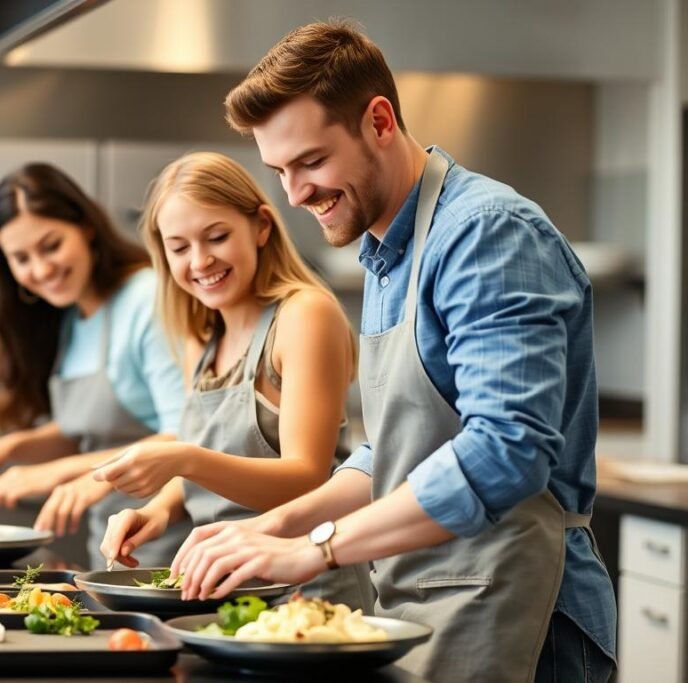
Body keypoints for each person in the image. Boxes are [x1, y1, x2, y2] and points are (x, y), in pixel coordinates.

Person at [168, 21, 617, 683]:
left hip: (526, 611)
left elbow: (507, 448)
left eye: (311, 161)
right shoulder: (385, 256)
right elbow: (397, 448)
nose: (294, 194)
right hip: (430, 602)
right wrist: (277, 525)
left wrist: (318, 548)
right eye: (280, 171)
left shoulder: (486, 234)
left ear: (379, 120)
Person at [95, 151, 373, 610]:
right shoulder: (200, 337)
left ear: (262, 226)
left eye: (217, 237)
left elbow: (305, 478)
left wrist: (183, 458)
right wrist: (156, 511)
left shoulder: (304, 315)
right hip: (220, 591)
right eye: (179, 247)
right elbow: (206, 480)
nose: (200, 261)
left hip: (305, 595)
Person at [0, 162, 190, 569]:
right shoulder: (75, 316)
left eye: (51, 245)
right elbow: (88, 431)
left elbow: (184, 438)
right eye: (21, 258)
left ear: (86, 228)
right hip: (112, 549)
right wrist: (9, 448)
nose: (40, 270)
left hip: (171, 547)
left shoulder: (146, 300)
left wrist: (52, 472)